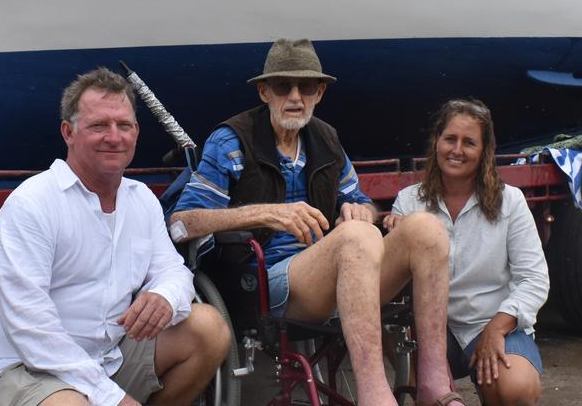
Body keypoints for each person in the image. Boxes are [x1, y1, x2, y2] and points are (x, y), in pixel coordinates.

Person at [170, 39, 462, 406]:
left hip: (339, 269)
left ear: (319, 92)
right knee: (356, 238)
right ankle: (375, 397)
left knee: (426, 228)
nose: (295, 96)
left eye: (306, 86)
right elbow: (181, 223)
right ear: (264, 92)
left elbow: (360, 202)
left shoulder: (326, 139)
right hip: (267, 281)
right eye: (283, 86)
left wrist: (360, 211)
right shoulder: (231, 140)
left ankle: (435, 386)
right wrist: (264, 213)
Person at [0, 68, 230, 406]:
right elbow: (29, 325)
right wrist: (110, 397)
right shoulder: (32, 204)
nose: (114, 137)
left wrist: (164, 297)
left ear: (136, 132)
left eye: (123, 125)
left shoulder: (141, 200)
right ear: (69, 132)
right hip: (32, 368)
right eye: (99, 126)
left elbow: (174, 271)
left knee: (208, 329)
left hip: (109, 355)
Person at [384, 99, 549, 406]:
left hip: (490, 321)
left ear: (484, 151)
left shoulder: (509, 201)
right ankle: (428, 387)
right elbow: (389, 283)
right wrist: (399, 237)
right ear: (436, 142)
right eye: (450, 139)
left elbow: (534, 280)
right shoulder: (408, 202)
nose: (457, 150)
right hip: (431, 330)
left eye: (469, 142)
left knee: (515, 389)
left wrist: (496, 330)